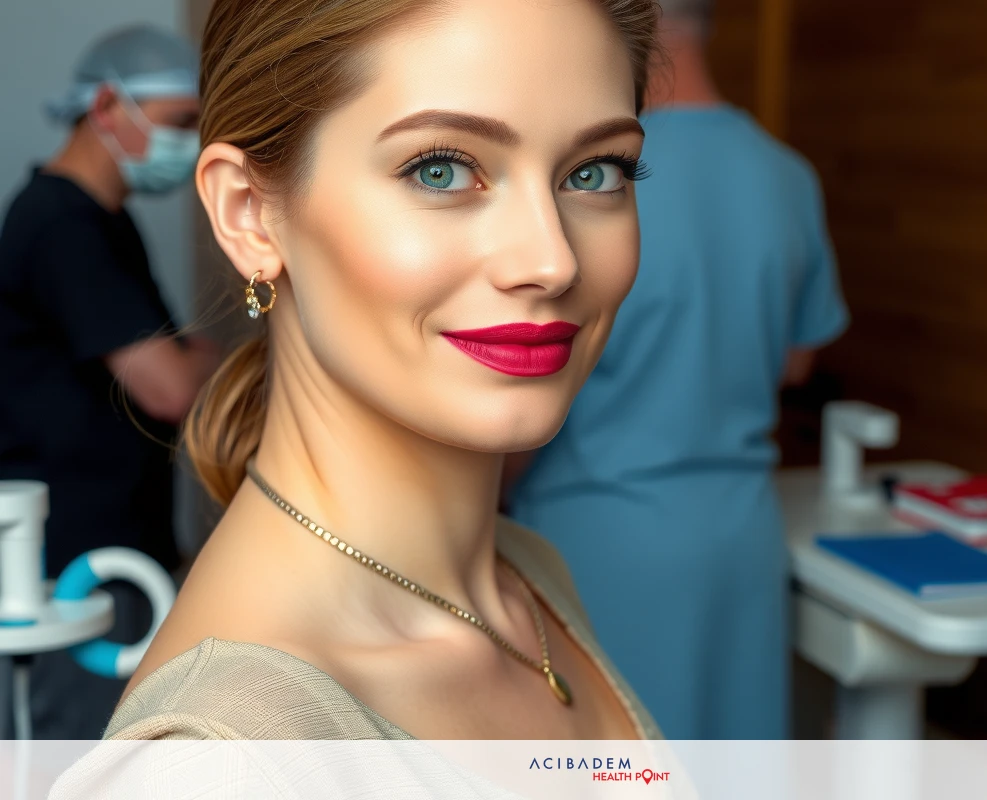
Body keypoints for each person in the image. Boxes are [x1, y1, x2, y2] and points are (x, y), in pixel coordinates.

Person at [100, 0, 662, 741]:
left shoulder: (531, 578)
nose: (552, 262)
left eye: (594, 172)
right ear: (248, 212)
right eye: (440, 170)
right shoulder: (216, 764)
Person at [504, 0, 850, 739]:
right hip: (741, 535)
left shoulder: (591, 182)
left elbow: (530, 372)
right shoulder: (787, 176)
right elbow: (797, 361)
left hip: (595, 534)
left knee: (612, 768)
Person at [0, 25, 221, 739]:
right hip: (71, 566)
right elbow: (170, 386)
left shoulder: (106, 222)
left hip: (118, 549)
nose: (189, 143)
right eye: (179, 122)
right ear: (105, 107)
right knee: (74, 758)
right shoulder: (59, 224)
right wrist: (210, 357)